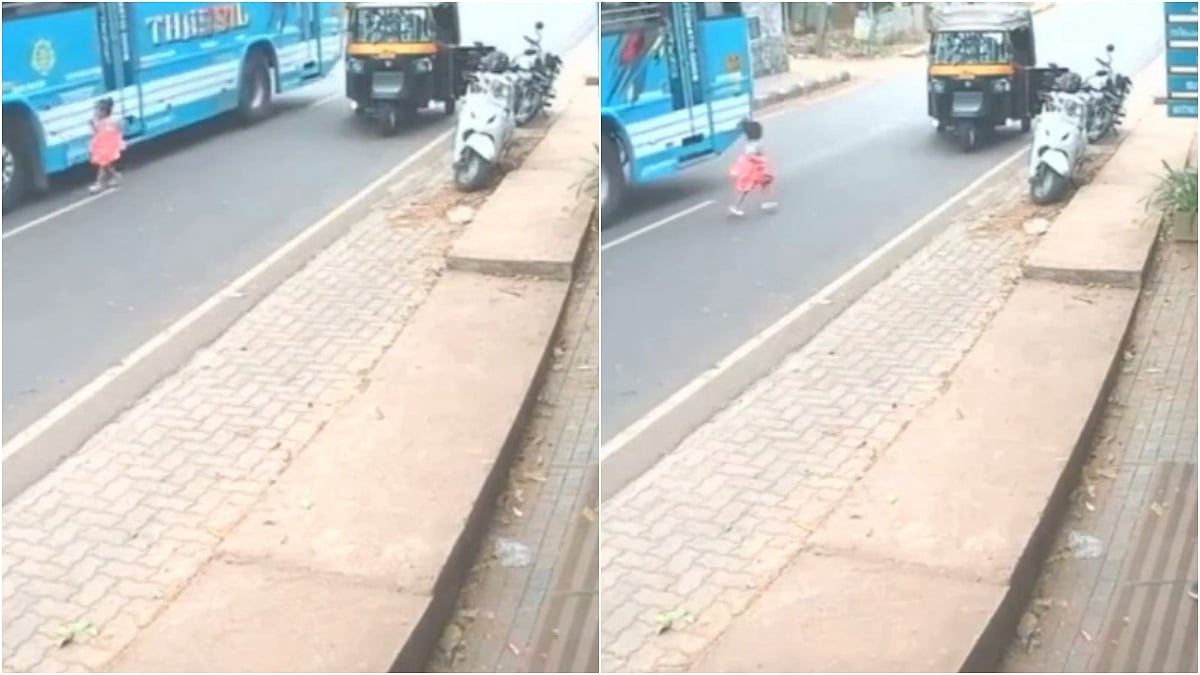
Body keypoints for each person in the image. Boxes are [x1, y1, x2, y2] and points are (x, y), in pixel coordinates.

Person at [728, 119, 776, 217]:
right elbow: (751, 157)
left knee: (765, 182)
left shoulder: (755, 142)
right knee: (745, 189)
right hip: (751, 170)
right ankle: (735, 206)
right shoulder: (752, 145)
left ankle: (766, 202)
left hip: (757, 169)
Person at [89, 97, 124, 193]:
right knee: (106, 165)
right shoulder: (100, 122)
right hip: (102, 148)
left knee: (103, 165)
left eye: (98, 111)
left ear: (104, 112)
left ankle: (99, 184)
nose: (95, 113)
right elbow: (97, 133)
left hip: (107, 148)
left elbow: (116, 130)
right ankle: (115, 176)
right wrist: (92, 125)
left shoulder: (110, 121)